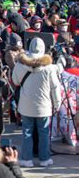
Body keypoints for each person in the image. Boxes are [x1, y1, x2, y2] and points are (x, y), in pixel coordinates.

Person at [12, 37, 61, 168]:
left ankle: (26, 159)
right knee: (44, 132)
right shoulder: (49, 68)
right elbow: (55, 87)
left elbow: (16, 82)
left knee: (27, 132)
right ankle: (44, 158)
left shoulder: (20, 64)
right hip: (44, 106)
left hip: (25, 105)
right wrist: (57, 103)